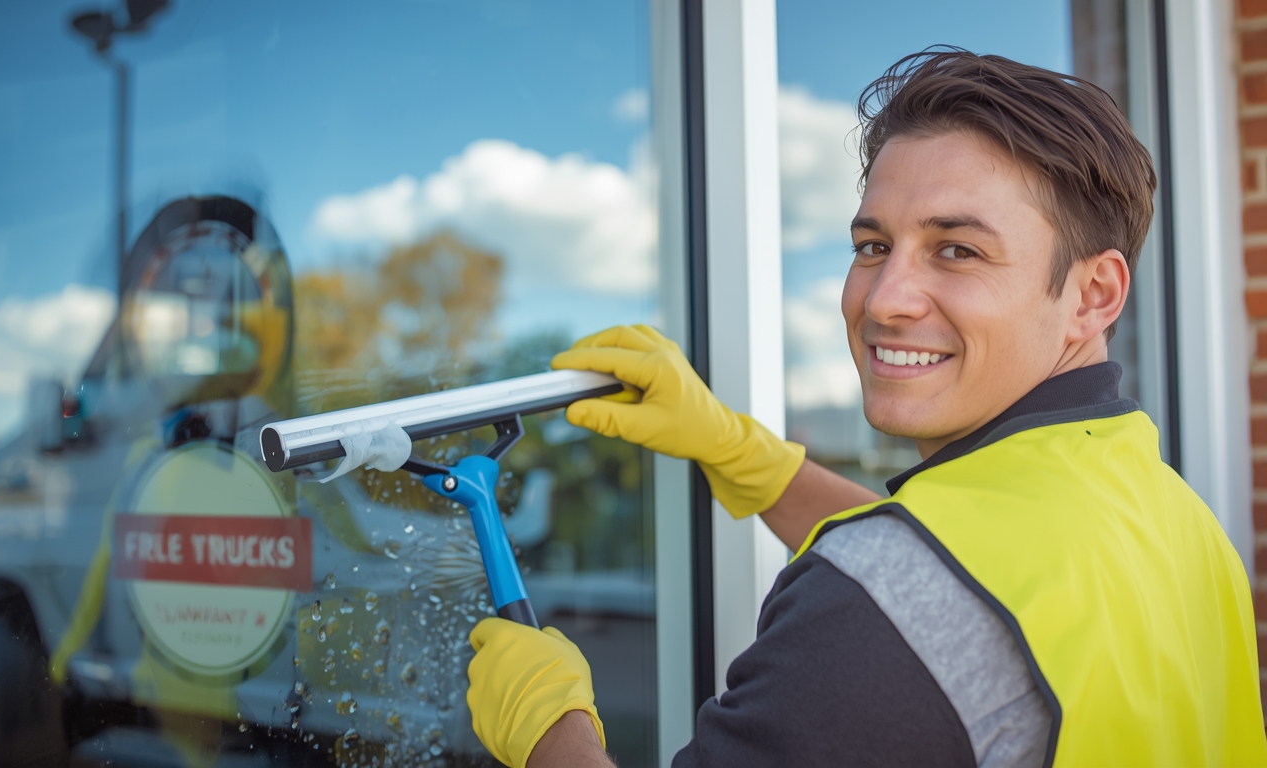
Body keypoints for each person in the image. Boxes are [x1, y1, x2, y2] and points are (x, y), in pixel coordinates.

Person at [464, 49, 1267, 767]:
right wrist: (747, 458)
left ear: (1094, 294)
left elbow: (921, 601)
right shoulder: (1179, 523)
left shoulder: (862, 619)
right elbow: (961, 587)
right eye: (873, 245)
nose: (884, 300)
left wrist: (551, 734)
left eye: (957, 249)